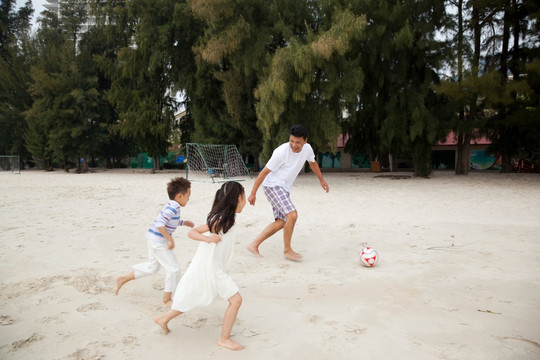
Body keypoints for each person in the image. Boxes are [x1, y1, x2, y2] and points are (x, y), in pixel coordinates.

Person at [154, 181, 247, 351]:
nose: (245, 201)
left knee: (192, 295)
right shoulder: (221, 219)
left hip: (214, 266)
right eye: (244, 197)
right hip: (213, 269)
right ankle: (224, 339)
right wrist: (208, 238)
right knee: (236, 300)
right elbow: (192, 232)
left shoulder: (227, 217)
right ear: (238, 198)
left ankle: (164, 319)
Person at [247, 124, 329, 261]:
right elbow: (263, 172)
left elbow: (312, 163)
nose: (294, 145)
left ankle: (253, 245)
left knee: (281, 222)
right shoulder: (281, 152)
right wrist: (253, 193)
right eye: (291, 141)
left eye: (297, 142)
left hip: (284, 189)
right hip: (272, 186)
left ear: (305, 141)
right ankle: (287, 250)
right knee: (292, 215)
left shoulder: (307, 149)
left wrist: (321, 180)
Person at [115, 177, 194, 306]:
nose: (189, 199)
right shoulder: (172, 208)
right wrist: (170, 239)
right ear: (179, 196)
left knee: (152, 268)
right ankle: (167, 299)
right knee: (173, 270)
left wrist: (183, 222)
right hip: (158, 241)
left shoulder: (173, 206)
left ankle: (123, 279)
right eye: (188, 196)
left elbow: (169, 221)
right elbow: (160, 224)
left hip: (152, 239)